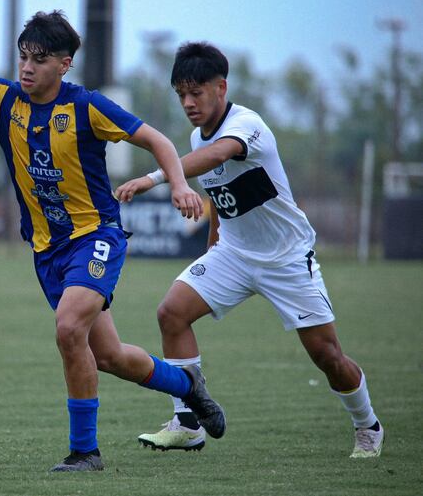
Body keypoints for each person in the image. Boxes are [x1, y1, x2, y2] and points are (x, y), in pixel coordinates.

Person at [0, 0, 225, 472]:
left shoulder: (87, 106)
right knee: (109, 356)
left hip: (96, 237)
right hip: (47, 251)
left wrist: (178, 185)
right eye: (23, 56)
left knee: (67, 329)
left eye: (39, 59)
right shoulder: (1, 99)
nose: (26, 67)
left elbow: (159, 140)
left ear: (64, 64)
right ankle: (188, 387)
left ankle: (85, 452)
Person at [115, 41, 383, 458]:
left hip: (287, 258)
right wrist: (210, 251)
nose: (188, 102)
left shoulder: (248, 124)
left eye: (196, 92)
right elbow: (221, 199)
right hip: (234, 255)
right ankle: (188, 422)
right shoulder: (196, 134)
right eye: (181, 94)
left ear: (221, 87)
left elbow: (217, 155)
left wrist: (154, 177)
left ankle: (367, 424)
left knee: (327, 356)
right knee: (171, 313)